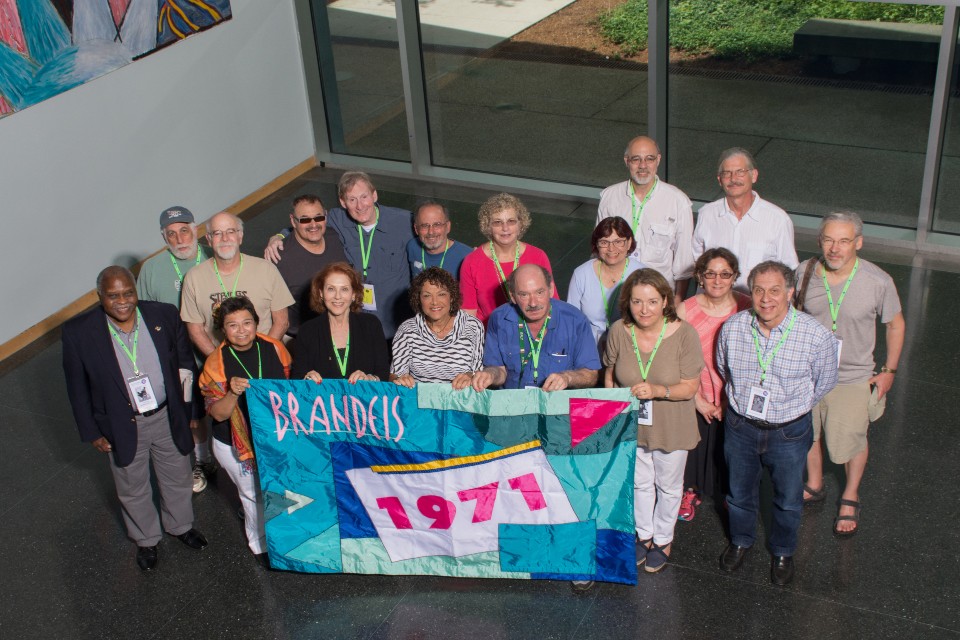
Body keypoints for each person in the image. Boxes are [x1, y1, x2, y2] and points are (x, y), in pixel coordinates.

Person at [62, 266, 208, 571]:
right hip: (121, 423)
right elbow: (77, 388)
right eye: (113, 295)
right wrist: (92, 432)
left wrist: (191, 411)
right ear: (99, 296)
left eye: (128, 293)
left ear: (135, 291)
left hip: (168, 414)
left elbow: (184, 366)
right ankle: (146, 540)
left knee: (178, 475)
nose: (122, 301)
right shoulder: (79, 332)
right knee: (132, 486)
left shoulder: (163, 316)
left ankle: (180, 526)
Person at [716, 261, 838, 586]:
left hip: (789, 431)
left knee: (787, 498)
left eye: (774, 290)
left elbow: (824, 382)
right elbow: (723, 368)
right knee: (738, 493)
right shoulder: (733, 328)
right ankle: (741, 541)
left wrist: (792, 408)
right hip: (741, 427)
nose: (766, 298)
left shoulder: (815, 336)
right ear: (750, 292)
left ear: (790, 292)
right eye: (758, 290)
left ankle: (783, 551)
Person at [795, 211, 905, 537]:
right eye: (828, 239)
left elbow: (895, 324)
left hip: (853, 375)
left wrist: (889, 371)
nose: (835, 248)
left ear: (858, 242)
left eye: (843, 241)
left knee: (853, 439)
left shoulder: (877, 281)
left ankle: (850, 493)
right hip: (809, 373)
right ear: (820, 241)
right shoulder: (805, 272)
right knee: (808, 432)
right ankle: (815, 484)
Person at [604, 268, 704, 574]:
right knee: (639, 483)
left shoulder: (684, 334)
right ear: (628, 303)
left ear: (665, 301)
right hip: (634, 423)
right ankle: (644, 534)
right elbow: (609, 374)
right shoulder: (620, 330)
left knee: (670, 486)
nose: (643, 309)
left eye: (651, 301)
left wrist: (658, 390)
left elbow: (690, 386)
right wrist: (616, 412)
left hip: (671, 424)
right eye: (636, 301)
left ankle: (663, 539)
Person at [264, 171, 414, 338]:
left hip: (397, 326)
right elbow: (306, 225)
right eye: (352, 199)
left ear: (374, 195)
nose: (359, 205)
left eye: (364, 197)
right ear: (343, 202)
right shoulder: (337, 219)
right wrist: (279, 236)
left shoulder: (404, 221)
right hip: (356, 323)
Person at [199, 296, 291, 558]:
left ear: (256, 323)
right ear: (223, 330)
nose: (241, 330)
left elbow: (287, 386)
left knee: (277, 488)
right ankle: (259, 544)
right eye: (233, 325)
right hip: (235, 442)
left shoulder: (274, 347)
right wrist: (232, 393)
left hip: (273, 437)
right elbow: (217, 414)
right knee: (253, 495)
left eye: (247, 323)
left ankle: (283, 537)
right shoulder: (215, 363)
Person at [137, 206, 216, 493]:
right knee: (190, 412)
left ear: (195, 230)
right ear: (164, 237)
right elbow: (142, 315)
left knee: (221, 407)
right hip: (178, 357)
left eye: (184, 230)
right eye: (171, 234)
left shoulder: (212, 255)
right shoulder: (152, 269)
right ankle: (199, 460)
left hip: (213, 348)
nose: (179, 238)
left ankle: (219, 458)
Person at [675, 248, 751, 521]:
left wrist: (729, 400)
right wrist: (698, 400)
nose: (717, 280)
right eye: (710, 274)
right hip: (696, 391)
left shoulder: (747, 307)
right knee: (694, 445)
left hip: (737, 394)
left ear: (734, 277)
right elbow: (675, 359)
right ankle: (690, 490)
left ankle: (731, 494)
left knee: (733, 449)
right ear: (700, 276)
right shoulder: (685, 309)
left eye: (725, 274)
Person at [181, 212, 294, 357]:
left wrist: (263, 355)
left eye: (231, 231)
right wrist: (220, 362)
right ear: (209, 239)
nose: (225, 238)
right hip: (222, 365)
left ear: (240, 236)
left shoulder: (266, 269)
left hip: (266, 358)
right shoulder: (193, 277)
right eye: (217, 233)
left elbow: (282, 321)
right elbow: (195, 330)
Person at [471, 264, 599, 392]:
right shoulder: (499, 319)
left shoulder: (575, 320)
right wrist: (490, 375)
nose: (533, 303)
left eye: (539, 292)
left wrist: (567, 378)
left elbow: (591, 375)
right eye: (524, 295)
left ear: (551, 290)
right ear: (513, 296)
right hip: (513, 405)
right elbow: (499, 369)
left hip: (558, 405)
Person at [597, 136, 694, 302]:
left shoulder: (678, 202)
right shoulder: (610, 197)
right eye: (636, 159)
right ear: (626, 161)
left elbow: (683, 265)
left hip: (658, 298)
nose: (643, 166)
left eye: (649, 159)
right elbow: (598, 249)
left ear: (658, 160)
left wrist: (676, 306)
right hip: (616, 295)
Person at [693, 148, 798, 292]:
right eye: (727, 173)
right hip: (712, 307)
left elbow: (790, 271)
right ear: (719, 180)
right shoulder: (707, 214)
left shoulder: (777, 219)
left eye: (740, 172)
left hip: (756, 308)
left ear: (754, 175)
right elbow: (696, 261)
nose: (733, 179)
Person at [460, 193, 557, 325]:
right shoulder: (472, 262)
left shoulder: (537, 256)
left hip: (532, 334)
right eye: (497, 222)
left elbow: (552, 303)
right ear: (488, 226)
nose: (505, 228)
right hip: (490, 336)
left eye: (511, 221)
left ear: (520, 224)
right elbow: (468, 314)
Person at [292, 263, 391, 384]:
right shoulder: (307, 331)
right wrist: (306, 378)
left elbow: (383, 373)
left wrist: (371, 379)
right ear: (321, 294)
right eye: (331, 289)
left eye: (344, 289)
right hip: (323, 401)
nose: (337, 296)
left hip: (363, 401)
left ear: (354, 294)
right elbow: (296, 378)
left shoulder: (371, 325)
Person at [390, 267, 484, 387]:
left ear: (452, 296)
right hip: (418, 402)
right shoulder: (407, 329)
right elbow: (394, 375)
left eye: (441, 294)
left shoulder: (473, 326)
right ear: (418, 299)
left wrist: (470, 376)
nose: (434, 302)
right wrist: (400, 379)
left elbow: (478, 371)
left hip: (459, 401)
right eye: (427, 296)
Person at [271, 194, 348, 338]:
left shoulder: (335, 237)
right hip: (301, 338)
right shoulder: (278, 258)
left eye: (319, 217)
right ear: (293, 221)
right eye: (305, 219)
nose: (314, 225)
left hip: (341, 330)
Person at [567, 217, 645, 353]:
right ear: (596, 245)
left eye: (618, 241)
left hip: (631, 348)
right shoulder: (581, 274)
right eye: (604, 242)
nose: (611, 248)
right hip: (588, 347)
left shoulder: (643, 275)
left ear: (629, 242)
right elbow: (571, 321)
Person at [407, 201, 472, 279]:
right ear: (416, 229)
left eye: (437, 225)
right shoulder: (412, 247)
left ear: (447, 227)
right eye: (424, 225)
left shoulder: (467, 257)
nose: (431, 232)